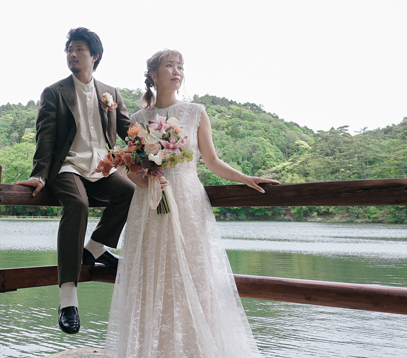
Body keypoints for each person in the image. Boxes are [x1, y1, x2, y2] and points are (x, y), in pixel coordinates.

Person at [105, 49, 276, 358]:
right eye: (169, 65)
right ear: (154, 74)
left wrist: (245, 178)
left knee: (196, 278)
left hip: (187, 199)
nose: (176, 71)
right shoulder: (139, 120)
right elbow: (130, 168)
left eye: (180, 66)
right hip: (150, 203)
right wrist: (143, 179)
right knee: (148, 278)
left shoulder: (196, 112)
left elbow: (211, 161)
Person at [15, 27, 136, 335]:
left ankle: (94, 248)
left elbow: (128, 129)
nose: (72, 54)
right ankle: (68, 298)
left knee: (131, 193)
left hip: (102, 169)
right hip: (66, 167)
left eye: (79, 49)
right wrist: (39, 174)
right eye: (69, 49)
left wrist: (155, 149)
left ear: (94, 56)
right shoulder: (54, 92)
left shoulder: (110, 93)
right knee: (78, 204)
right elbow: (46, 138)